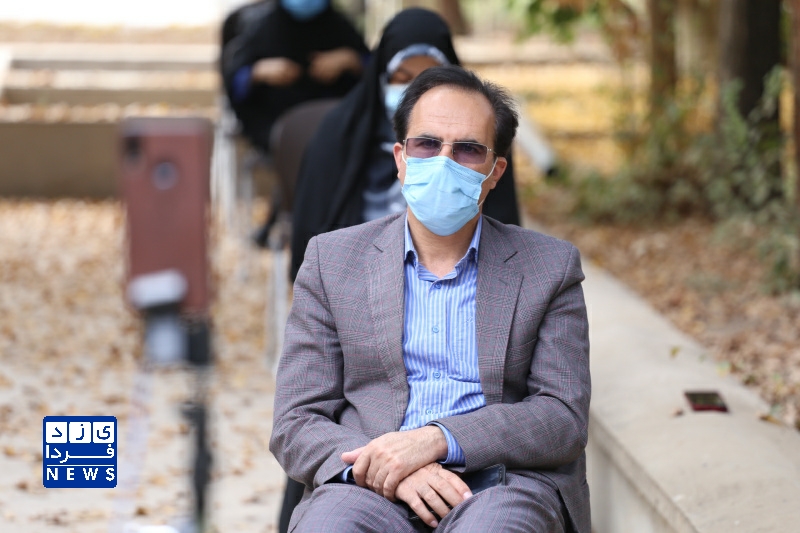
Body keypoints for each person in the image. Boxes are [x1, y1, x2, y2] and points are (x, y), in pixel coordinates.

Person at [270, 65, 591, 532]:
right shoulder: (332, 261)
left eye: (468, 149)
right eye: (427, 144)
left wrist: (437, 440)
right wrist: (392, 466)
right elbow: (297, 419)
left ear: (496, 172)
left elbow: (562, 417)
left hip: (502, 483)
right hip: (369, 485)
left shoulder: (549, 267)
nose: (444, 162)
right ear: (401, 158)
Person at [289, 8, 521, 281]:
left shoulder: (479, 140)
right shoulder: (338, 133)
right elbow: (310, 235)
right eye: (403, 78)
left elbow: (505, 239)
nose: (415, 93)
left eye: (430, 80)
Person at [220, 0, 368, 156]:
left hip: (338, 130)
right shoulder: (262, 28)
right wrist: (258, 72)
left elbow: (374, 72)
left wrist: (351, 60)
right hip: (275, 129)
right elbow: (234, 82)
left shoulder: (341, 27)